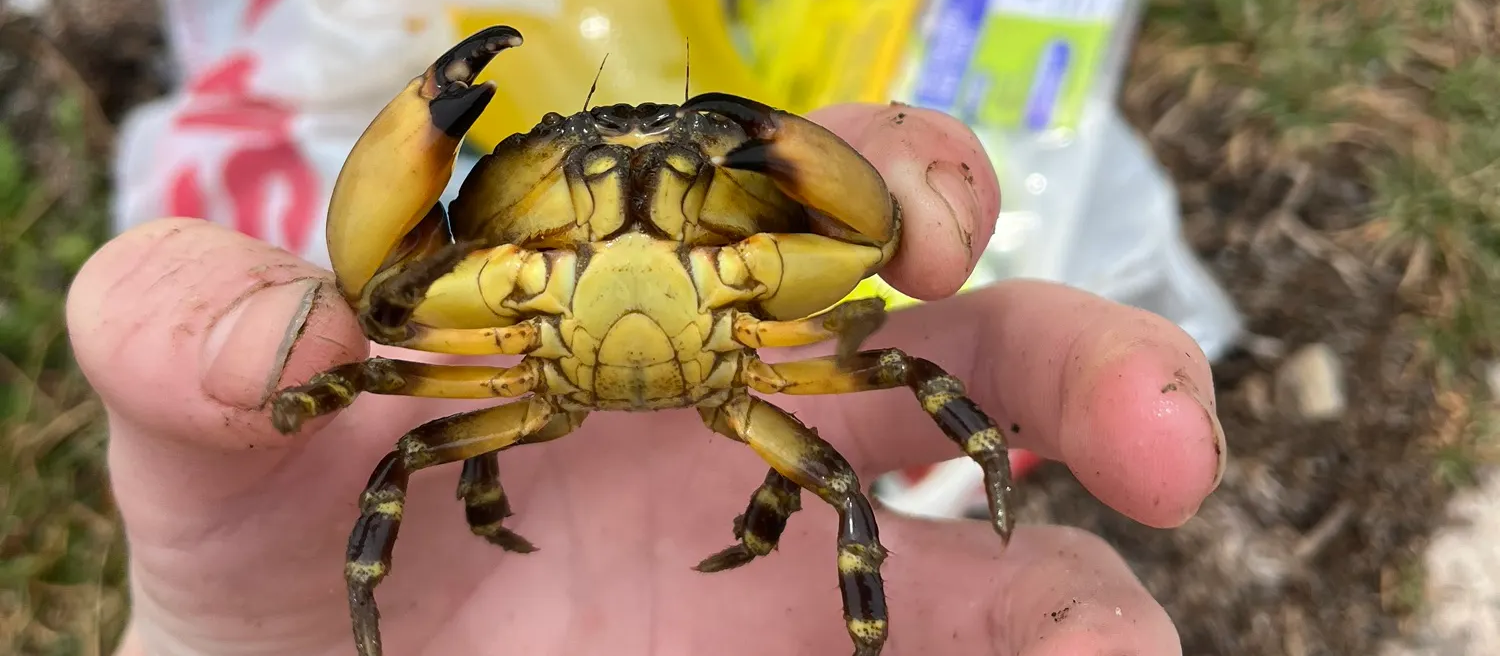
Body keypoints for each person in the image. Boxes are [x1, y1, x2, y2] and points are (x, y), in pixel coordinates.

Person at [68, 100, 1224, 656]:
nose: (626, 191)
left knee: (846, 473)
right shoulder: (457, 307)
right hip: (551, 405)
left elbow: (880, 253)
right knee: (404, 454)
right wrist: (298, 385)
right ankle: (366, 619)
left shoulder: (790, 280)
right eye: (567, 169)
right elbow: (381, 295)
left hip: (687, 383)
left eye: (680, 167)